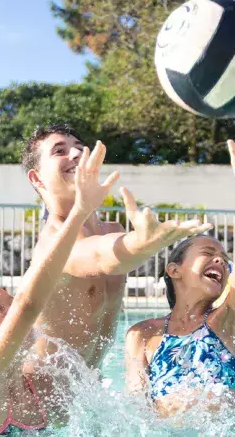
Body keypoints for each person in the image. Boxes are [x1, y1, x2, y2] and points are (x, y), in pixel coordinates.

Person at [0, 142, 116, 436]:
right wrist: (79, 211)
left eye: (10, 302)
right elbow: (29, 303)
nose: (13, 311)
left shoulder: (40, 388)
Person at [124, 120, 235, 416]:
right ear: (174, 270)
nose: (220, 261)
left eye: (224, 258)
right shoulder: (141, 334)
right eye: (208, 253)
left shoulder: (227, 321)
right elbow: (138, 411)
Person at [20, 124, 212, 370]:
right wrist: (143, 242)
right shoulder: (53, 241)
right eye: (59, 151)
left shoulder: (112, 230)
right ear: (37, 178)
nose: (76, 154)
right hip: (40, 387)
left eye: (79, 148)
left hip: (89, 382)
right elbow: (103, 256)